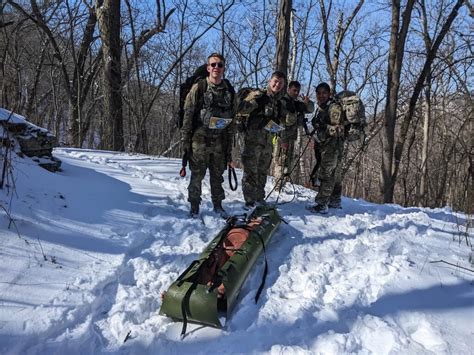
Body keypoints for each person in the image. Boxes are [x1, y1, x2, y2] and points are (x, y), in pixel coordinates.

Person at [181, 53, 234, 218]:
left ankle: (218, 205)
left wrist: (229, 146)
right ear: (208, 67)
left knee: (217, 176)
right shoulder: (200, 87)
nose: (216, 68)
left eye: (219, 65)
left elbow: (233, 118)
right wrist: (186, 141)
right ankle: (194, 206)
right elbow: (188, 115)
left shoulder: (229, 90)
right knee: (197, 175)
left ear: (224, 68)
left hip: (220, 141)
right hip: (199, 140)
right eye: (213, 65)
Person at [236, 71, 297, 209]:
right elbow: (241, 109)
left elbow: (285, 122)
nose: (277, 84)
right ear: (270, 81)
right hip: (253, 141)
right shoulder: (259, 95)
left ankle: (259, 197)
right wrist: (254, 101)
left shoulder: (278, 102)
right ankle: (249, 201)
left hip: (268, 143)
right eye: (275, 81)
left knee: (262, 171)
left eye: (281, 83)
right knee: (251, 172)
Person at [308, 82, 344, 213]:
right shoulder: (322, 108)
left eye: (324, 93)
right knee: (335, 174)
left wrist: (323, 126)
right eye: (319, 93)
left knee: (326, 174)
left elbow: (339, 129)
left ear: (329, 94)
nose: (321, 95)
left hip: (332, 147)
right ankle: (335, 201)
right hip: (325, 145)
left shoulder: (333, 108)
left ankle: (321, 204)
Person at [274, 80, 314, 191]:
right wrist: (281, 139)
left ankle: (282, 185)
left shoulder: (297, 104)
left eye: (298, 91)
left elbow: (310, 109)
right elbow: (277, 121)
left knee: (288, 161)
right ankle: (277, 187)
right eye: (294, 90)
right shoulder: (282, 102)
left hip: (291, 137)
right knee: (281, 162)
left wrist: (307, 102)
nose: (296, 93)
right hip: (282, 137)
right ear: (289, 89)